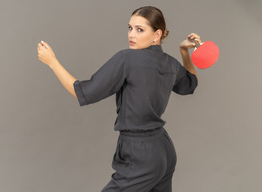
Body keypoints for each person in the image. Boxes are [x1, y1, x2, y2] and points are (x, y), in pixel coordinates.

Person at [37, 6, 201, 192]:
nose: (131, 34)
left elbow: (84, 92)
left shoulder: (126, 58)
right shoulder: (170, 63)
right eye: (130, 28)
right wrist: (184, 51)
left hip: (139, 152)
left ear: (157, 35)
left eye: (140, 30)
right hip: (164, 150)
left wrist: (52, 62)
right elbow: (191, 83)